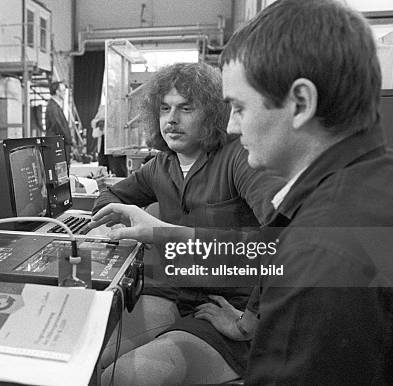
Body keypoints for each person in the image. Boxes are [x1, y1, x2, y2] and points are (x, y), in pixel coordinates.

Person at [91, 0, 393, 384]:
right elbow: (277, 241)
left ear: (301, 103)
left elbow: (269, 251)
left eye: (239, 107)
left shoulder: (322, 253)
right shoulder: (368, 187)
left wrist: (162, 234)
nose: (234, 127)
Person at [93, 62, 285, 384]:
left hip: (227, 303)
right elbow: (110, 196)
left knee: (126, 377)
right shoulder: (161, 165)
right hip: (171, 290)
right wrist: (111, 225)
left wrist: (249, 321)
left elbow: (281, 238)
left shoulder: (239, 158)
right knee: (90, 363)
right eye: (165, 108)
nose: (172, 120)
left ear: (212, 113)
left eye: (186, 108)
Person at [90, 104, 127, 177]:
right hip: (103, 142)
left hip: (116, 143)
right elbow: (93, 122)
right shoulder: (103, 107)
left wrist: (108, 123)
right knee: (102, 169)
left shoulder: (121, 104)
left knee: (117, 170)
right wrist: (99, 123)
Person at [45, 81, 73, 163]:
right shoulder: (53, 107)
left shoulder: (55, 106)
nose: (65, 93)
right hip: (57, 144)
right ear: (57, 91)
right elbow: (58, 126)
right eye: (63, 90)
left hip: (60, 143)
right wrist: (69, 140)